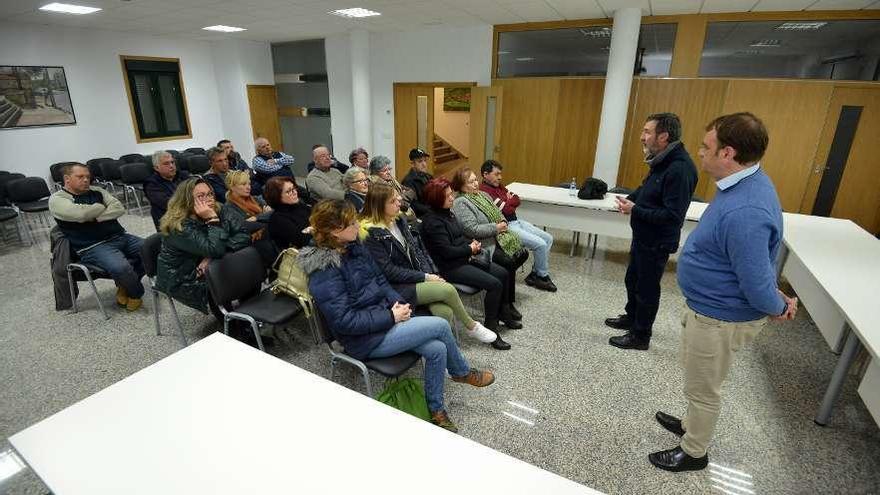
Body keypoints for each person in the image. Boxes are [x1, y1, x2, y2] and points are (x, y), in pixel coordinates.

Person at [648, 112, 798, 473]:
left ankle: (694, 451)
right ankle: (690, 423)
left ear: (727, 153)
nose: (699, 152)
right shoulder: (742, 183)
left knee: (704, 388)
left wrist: (779, 304)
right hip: (710, 311)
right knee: (697, 378)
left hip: (720, 318)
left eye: (706, 146)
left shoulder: (746, 209)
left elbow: (758, 281)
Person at [298, 200, 496, 432]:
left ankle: (436, 409)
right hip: (363, 340)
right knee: (441, 326)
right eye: (351, 223)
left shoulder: (354, 246)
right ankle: (461, 372)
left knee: (437, 349)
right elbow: (344, 321)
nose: (357, 226)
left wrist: (398, 303)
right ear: (334, 231)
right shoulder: (324, 270)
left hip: (384, 318)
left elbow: (381, 281)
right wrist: (391, 317)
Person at [359, 183, 504, 349]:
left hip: (416, 276)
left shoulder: (398, 220)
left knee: (445, 312)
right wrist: (426, 277)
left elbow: (417, 251)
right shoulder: (371, 234)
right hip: (396, 286)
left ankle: (444, 353)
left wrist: (431, 274)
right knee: (448, 290)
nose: (399, 201)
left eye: (397, 197)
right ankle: (472, 326)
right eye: (393, 200)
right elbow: (389, 272)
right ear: (379, 206)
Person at [606, 113, 699, 351]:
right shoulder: (661, 160)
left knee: (647, 288)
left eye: (647, 132)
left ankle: (640, 335)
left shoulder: (680, 168)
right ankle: (632, 318)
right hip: (643, 236)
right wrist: (630, 200)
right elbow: (646, 189)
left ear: (664, 136)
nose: (642, 137)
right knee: (633, 280)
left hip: (657, 241)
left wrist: (636, 210)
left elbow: (672, 215)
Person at [421, 178, 520, 342]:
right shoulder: (432, 222)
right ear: (437, 200)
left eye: (451, 193)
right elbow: (446, 252)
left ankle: (504, 314)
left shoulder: (448, 213)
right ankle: (491, 326)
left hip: (464, 257)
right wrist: (470, 248)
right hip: (450, 267)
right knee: (494, 284)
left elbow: (458, 237)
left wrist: (470, 244)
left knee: (503, 273)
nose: (452, 197)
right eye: (447, 196)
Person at [48, 163, 145, 311]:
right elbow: (80, 214)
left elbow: (119, 208)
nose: (86, 180)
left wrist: (96, 217)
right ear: (67, 179)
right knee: (121, 268)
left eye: (87, 176)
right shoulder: (57, 199)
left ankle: (124, 286)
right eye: (80, 177)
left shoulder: (97, 191)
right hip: (92, 246)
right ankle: (135, 293)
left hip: (120, 236)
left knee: (153, 250)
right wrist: (101, 207)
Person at [155, 178, 250, 315]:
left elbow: (244, 234)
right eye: (200, 196)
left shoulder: (218, 208)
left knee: (246, 264)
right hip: (184, 276)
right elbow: (215, 250)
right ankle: (231, 323)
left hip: (207, 261)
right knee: (219, 278)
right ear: (186, 200)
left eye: (210, 194)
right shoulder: (178, 226)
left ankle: (248, 312)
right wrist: (212, 220)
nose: (208, 199)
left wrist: (209, 258)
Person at [450, 167, 525, 323]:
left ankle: (507, 303)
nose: (476, 184)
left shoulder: (483, 195)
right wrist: (496, 228)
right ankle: (505, 306)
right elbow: (472, 229)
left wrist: (503, 221)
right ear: (461, 185)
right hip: (483, 245)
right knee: (507, 263)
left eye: (475, 180)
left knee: (521, 254)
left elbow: (499, 213)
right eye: (470, 182)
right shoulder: (460, 202)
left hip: (499, 238)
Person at [480, 159, 556, 292]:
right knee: (541, 244)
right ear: (485, 174)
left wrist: (509, 200)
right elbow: (508, 210)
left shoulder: (499, 186)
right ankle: (541, 276)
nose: (500, 177)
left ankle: (534, 274)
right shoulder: (485, 191)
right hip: (507, 226)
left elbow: (517, 199)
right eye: (496, 174)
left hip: (517, 221)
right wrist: (508, 200)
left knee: (548, 238)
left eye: (500, 174)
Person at [143, 150, 189, 230]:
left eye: (172, 162)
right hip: (170, 221)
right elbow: (170, 204)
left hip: (190, 215)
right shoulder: (151, 184)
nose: (171, 166)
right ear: (156, 168)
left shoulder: (182, 176)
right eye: (166, 163)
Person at [265, 176, 312, 249]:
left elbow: (321, 220)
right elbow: (303, 241)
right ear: (277, 196)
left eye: (294, 188)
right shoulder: (278, 219)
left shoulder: (300, 206)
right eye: (288, 191)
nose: (295, 192)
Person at [368, 155, 416, 219]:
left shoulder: (391, 180)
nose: (388, 172)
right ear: (375, 172)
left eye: (389, 169)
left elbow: (411, 191)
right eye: (384, 170)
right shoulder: (374, 185)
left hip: (404, 211)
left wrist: (400, 197)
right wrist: (401, 197)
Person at [401, 148, 433, 217]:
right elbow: (413, 205)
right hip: (421, 216)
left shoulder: (429, 177)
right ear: (412, 164)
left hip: (431, 212)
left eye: (425, 161)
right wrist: (432, 210)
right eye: (420, 161)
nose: (424, 164)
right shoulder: (408, 181)